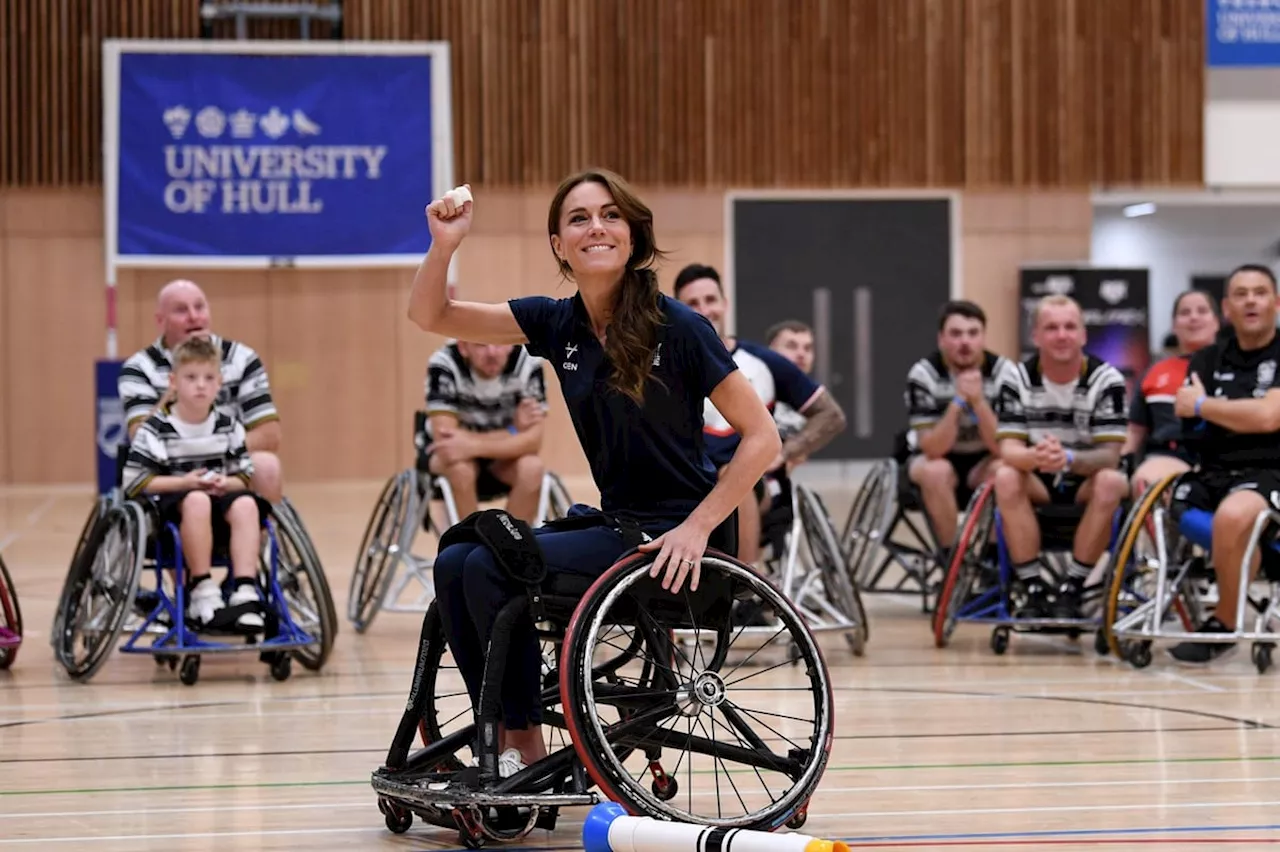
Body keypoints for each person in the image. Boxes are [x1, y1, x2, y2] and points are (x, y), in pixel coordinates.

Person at [407, 171, 780, 776]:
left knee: (494, 562)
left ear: (632, 237)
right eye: (578, 218)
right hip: (614, 525)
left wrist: (698, 527)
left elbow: (762, 437)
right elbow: (431, 315)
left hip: (674, 539)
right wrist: (444, 244)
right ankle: (509, 733)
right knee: (457, 558)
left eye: (610, 215)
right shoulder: (558, 323)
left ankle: (520, 744)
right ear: (559, 243)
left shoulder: (680, 327)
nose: (595, 227)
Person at [673, 264, 846, 566]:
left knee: (733, 474)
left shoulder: (762, 362)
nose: (704, 309)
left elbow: (830, 415)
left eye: (711, 300)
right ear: (678, 310)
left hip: (753, 482)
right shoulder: (667, 365)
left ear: (725, 304)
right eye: (693, 303)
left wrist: (788, 452)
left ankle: (746, 587)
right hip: (689, 481)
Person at [993, 294, 1130, 620]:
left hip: (1087, 479)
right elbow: (1009, 448)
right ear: (1036, 336)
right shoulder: (1016, 378)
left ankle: (1074, 587)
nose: (1062, 335)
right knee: (1004, 475)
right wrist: (1036, 457)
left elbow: (1110, 456)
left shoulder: (1106, 380)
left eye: (1070, 326)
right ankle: (1033, 588)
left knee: (1112, 481)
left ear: (1083, 334)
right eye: (1051, 327)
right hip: (1037, 478)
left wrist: (1068, 459)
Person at [1170, 264, 1280, 664]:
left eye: (1260, 292)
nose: (1251, 300)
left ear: (1275, 302)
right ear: (1227, 307)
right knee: (1154, 493)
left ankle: (1224, 621)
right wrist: (1230, 412)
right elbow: (1190, 421)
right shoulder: (1206, 358)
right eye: (1241, 293)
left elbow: (1270, 418)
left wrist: (1206, 405)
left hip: (1271, 472)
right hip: (1212, 470)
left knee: (1234, 515)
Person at [121, 337, 269, 631]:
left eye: (208, 378)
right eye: (191, 378)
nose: (200, 385)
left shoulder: (229, 425)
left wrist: (226, 482)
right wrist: (184, 483)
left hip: (219, 501)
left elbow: (244, 476)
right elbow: (135, 482)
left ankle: (245, 590)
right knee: (196, 500)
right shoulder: (156, 428)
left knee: (246, 503)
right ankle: (202, 588)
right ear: (173, 382)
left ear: (219, 383)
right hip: (173, 507)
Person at [118, 280, 285, 503]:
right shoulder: (139, 368)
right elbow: (140, 436)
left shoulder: (241, 359)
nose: (194, 317)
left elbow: (270, 435)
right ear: (161, 321)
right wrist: (175, 388)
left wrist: (214, 452)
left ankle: (261, 535)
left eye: (200, 307)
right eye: (181, 310)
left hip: (228, 463)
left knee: (267, 465)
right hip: (171, 468)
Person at [903, 300, 1013, 552]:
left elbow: (1001, 448)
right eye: (956, 334)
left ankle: (992, 557)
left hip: (985, 457)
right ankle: (953, 558)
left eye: (973, 333)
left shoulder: (1004, 372)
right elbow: (932, 449)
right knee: (936, 471)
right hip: (937, 457)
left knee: (1005, 471)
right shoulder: (923, 375)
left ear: (983, 338)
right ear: (941, 339)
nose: (965, 342)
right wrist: (958, 402)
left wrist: (979, 402)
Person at [423, 339, 549, 522]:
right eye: (481, 345)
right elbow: (447, 445)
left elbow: (533, 441)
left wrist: (471, 445)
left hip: (502, 460)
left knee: (533, 468)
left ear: (510, 344)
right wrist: (513, 430)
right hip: (456, 460)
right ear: (463, 347)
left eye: (498, 343)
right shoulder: (445, 363)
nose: (492, 353)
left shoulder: (528, 362)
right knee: (460, 469)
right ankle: (472, 545)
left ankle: (511, 545)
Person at [1123, 290, 1221, 493]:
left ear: (1216, 322)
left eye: (1202, 311)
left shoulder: (1235, 367)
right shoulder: (1155, 371)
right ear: (1174, 325)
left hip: (1223, 458)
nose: (1193, 317)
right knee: (1146, 482)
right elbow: (1134, 432)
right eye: (1185, 312)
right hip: (1169, 457)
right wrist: (1119, 464)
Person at [766, 319, 815, 441]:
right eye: (791, 346)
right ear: (770, 351)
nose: (801, 354)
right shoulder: (752, 390)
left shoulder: (818, 402)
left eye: (807, 348)